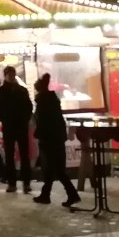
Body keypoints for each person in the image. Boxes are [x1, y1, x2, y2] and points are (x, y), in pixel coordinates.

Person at [32, 73, 80, 207]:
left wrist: (38, 133)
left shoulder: (42, 102)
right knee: (54, 169)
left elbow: (42, 122)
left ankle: (70, 194)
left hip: (48, 139)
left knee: (54, 169)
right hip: (56, 138)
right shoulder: (52, 100)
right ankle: (48, 194)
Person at [0, 65, 33, 193]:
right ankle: (12, 183)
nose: (11, 76)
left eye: (12, 74)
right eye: (9, 74)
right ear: (6, 75)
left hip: (20, 126)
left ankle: (26, 183)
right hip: (9, 126)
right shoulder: (0, 92)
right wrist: (3, 117)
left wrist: (24, 119)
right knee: (10, 156)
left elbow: (29, 107)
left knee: (24, 156)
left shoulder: (21, 90)